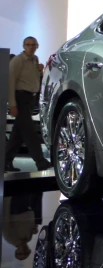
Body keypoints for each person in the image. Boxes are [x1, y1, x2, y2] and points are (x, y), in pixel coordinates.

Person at [5, 36, 51, 172]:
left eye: (33, 45)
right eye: (28, 45)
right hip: (21, 98)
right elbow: (11, 81)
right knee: (30, 133)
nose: (31, 47)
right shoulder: (17, 61)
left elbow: (33, 80)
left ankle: (5, 161)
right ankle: (40, 162)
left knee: (18, 135)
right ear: (24, 46)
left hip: (30, 99)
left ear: (37, 46)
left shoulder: (35, 60)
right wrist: (12, 104)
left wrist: (40, 72)